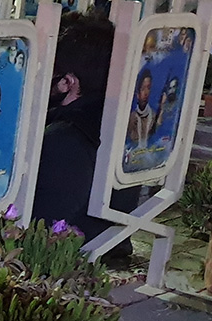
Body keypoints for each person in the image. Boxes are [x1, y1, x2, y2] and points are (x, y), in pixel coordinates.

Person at [31, 11, 140, 252]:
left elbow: (40, 228)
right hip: (111, 241)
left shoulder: (65, 139)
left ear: (66, 82)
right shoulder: (118, 119)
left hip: (69, 256)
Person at [127, 68, 155, 148]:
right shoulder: (132, 117)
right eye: (143, 89)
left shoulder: (153, 116)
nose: (146, 93)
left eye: (148, 88)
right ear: (137, 93)